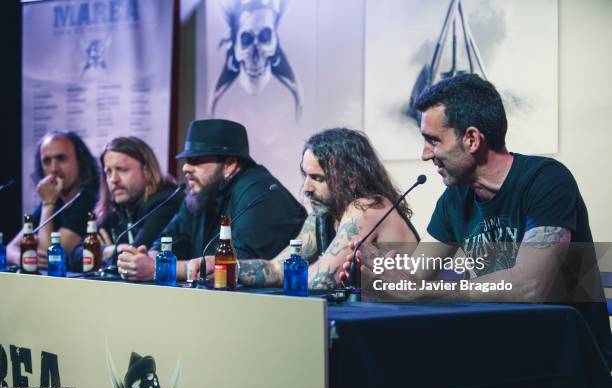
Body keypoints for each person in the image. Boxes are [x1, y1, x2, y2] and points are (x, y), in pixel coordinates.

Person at [344, 74, 612, 368]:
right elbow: (416, 277)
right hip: (508, 360)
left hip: (571, 364)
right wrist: (374, 275)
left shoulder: (547, 180)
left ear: (471, 139)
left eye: (433, 140)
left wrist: (420, 292)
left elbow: (530, 286)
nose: (424, 154)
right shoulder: (454, 200)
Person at [203, 127, 420, 289]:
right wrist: (228, 267)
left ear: (351, 179)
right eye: (306, 176)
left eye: (317, 178)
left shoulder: (367, 207)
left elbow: (322, 279)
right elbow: (279, 267)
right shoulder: (322, 217)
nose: (306, 188)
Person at [116, 119, 307, 281]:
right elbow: (170, 240)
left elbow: (238, 263)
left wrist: (159, 269)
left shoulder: (259, 193)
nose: (185, 169)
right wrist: (146, 258)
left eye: (197, 161)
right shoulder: (201, 192)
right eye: (187, 161)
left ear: (229, 164)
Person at [80, 137, 184, 268]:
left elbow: (134, 259)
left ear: (146, 171)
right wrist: (109, 250)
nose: (113, 179)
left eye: (122, 170)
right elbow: (75, 254)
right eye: (108, 172)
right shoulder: (115, 208)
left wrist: (98, 253)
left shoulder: (165, 202)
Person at [6, 130, 99, 268]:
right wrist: (22, 257)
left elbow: (51, 257)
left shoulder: (89, 199)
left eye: (61, 158)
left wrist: (48, 204)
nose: (54, 169)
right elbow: (10, 249)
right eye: (47, 161)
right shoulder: (54, 199)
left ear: (80, 161)